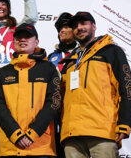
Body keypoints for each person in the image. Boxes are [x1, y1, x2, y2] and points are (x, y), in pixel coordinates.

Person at [59, 11, 131, 158]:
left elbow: (127, 89)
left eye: (83, 23)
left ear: (94, 26)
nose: (79, 28)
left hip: (102, 132)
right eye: (75, 26)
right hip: (72, 135)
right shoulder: (69, 61)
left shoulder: (111, 51)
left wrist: (125, 123)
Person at [0, 23, 61, 157]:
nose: (23, 40)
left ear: (36, 42)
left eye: (27, 36)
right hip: (10, 147)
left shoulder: (48, 68)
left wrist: (33, 134)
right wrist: (16, 134)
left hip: (42, 147)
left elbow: (54, 103)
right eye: (19, 37)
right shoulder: (3, 72)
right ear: (13, 42)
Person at [48, 13, 76, 157]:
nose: (62, 31)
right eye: (60, 29)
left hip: (77, 114)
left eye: (66, 27)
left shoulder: (84, 54)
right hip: (55, 117)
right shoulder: (52, 57)